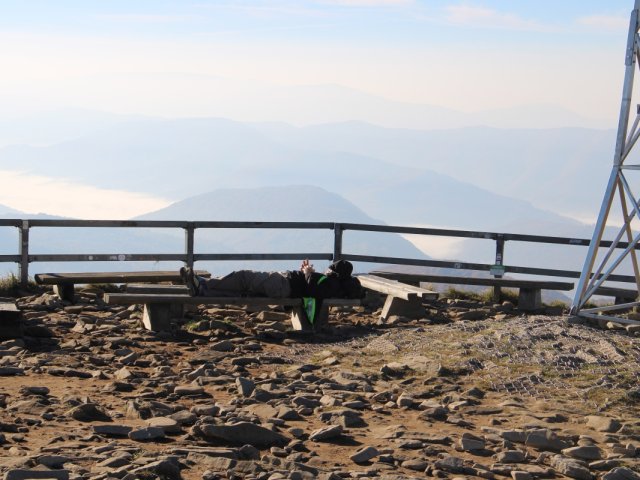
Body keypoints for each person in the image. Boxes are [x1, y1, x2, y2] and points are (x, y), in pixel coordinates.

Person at [179, 259, 363, 324]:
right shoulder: (335, 283)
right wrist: (307, 273)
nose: (327, 271)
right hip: (284, 284)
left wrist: (307, 273)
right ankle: (203, 290)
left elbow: (314, 290)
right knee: (244, 292)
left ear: (335, 273)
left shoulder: (330, 283)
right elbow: (313, 288)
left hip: (283, 284)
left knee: (244, 277)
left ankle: (204, 284)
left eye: (330, 270)